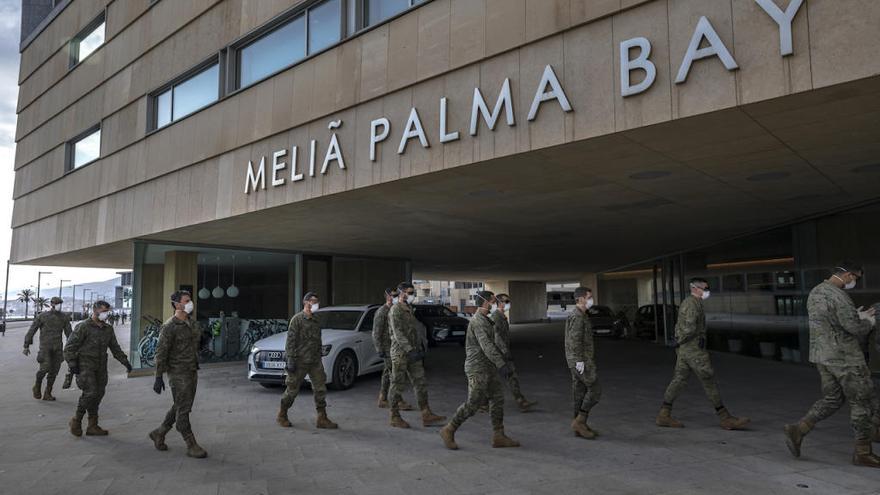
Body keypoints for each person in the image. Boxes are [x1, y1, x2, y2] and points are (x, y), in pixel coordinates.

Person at [783, 263, 880, 467]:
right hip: (845, 358)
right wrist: (867, 322)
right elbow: (854, 328)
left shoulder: (816, 292)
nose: (855, 282)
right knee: (860, 400)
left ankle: (798, 429)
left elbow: (832, 321)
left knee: (833, 398)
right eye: (856, 278)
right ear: (847, 275)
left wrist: (856, 315)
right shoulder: (839, 295)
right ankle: (863, 452)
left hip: (822, 356)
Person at [656, 278, 749, 430]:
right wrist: (679, 340)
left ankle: (664, 414)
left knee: (679, 380)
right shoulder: (692, 304)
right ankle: (725, 418)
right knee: (708, 380)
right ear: (695, 288)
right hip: (694, 351)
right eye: (705, 288)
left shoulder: (690, 302)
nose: (707, 291)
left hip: (686, 350)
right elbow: (690, 328)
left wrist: (679, 342)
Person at [441, 291, 519, 449]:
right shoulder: (478, 321)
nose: (496, 304)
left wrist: (501, 360)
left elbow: (494, 343)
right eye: (494, 301)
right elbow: (486, 346)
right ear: (486, 302)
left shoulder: (486, 320)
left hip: (488, 367)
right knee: (473, 403)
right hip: (477, 368)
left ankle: (499, 435)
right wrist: (501, 364)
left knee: (497, 398)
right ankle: (449, 429)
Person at [149, 290, 207, 458]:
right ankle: (191, 443)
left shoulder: (193, 323)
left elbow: (197, 342)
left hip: (192, 370)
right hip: (177, 372)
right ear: (177, 304)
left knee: (180, 405)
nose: (190, 303)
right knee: (184, 409)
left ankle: (159, 433)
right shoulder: (169, 327)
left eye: (190, 300)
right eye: (187, 301)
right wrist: (158, 376)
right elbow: (161, 352)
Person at [63, 300, 132, 437]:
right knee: (91, 393)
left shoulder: (108, 329)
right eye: (104, 311)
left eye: (107, 311)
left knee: (98, 394)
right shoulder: (83, 327)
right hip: (85, 366)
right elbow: (69, 347)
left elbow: (115, 347)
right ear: (95, 311)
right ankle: (76, 420)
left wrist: (125, 362)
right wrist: (72, 364)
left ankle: (92, 426)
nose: (106, 314)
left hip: (101, 366)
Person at [277, 292, 338, 430]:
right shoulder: (297, 319)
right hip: (300, 361)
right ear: (306, 302)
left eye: (317, 301)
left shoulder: (316, 320)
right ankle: (282, 414)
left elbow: (317, 340)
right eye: (314, 301)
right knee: (292, 390)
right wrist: (291, 359)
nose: (316, 304)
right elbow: (290, 341)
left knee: (320, 389)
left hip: (315, 361)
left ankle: (322, 418)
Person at [388, 282, 446, 428]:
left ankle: (426, 414)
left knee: (420, 382)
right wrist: (410, 350)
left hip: (413, 352)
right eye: (410, 292)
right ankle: (394, 416)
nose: (413, 295)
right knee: (397, 385)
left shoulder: (409, 309)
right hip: (401, 353)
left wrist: (420, 347)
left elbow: (414, 330)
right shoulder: (396, 310)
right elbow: (398, 334)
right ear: (402, 293)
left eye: (413, 292)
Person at [565, 287, 601, 439]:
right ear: (580, 299)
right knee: (595, 390)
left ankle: (579, 425)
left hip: (576, 360)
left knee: (579, 393)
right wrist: (579, 360)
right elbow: (574, 340)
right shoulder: (578, 316)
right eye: (589, 297)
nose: (591, 300)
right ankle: (580, 421)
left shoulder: (580, 314)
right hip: (581, 361)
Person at [490, 293, 537, 411]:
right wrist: (505, 351)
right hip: (498, 353)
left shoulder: (502, 316)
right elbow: (496, 337)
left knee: (511, 376)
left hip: (502, 352)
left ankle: (520, 400)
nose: (508, 304)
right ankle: (481, 403)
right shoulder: (496, 317)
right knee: (491, 378)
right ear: (499, 303)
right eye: (506, 302)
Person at [23, 296, 72, 401]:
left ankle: (47, 393)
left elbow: (69, 334)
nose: (59, 305)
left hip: (58, 348)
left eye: (60, 304)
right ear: (52, 304)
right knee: (44, 369)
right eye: (57, 303)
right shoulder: (43, 316)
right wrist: (26, 345)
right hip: (45, 348)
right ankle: (37, 386)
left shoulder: (64, 317)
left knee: (54, 371)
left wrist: (72, 347)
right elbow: (32, 330)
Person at [372, 288, 413, 410]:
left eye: (396, 295)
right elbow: (376, 332)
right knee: (395, 376)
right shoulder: (382, 311)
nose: (395, 297)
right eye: (392, 295)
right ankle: (398, 401)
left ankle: (382, 398)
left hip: (392, 347)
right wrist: (379, 349)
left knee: (387, 374)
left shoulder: (394, 310)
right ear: (387, 297)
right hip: (386, 348)